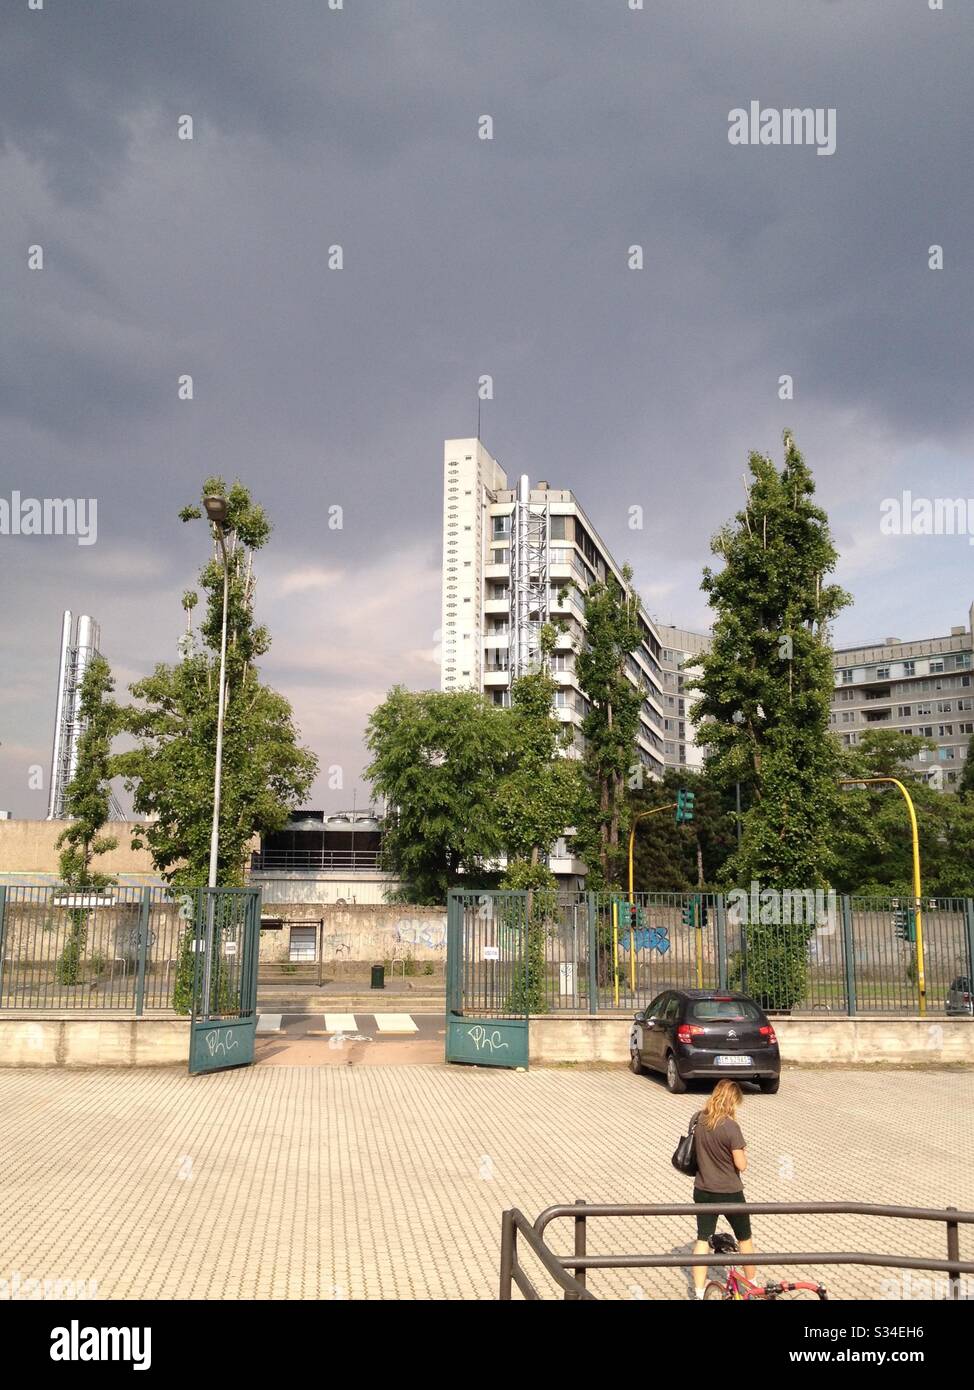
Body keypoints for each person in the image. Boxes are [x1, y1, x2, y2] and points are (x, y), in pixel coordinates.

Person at [690, 1079, 755, 1297]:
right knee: (744, 1237)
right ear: (733, 1102)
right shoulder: (731, 1127)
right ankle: (752, 1284)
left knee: (702, 1239)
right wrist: (743, 1150)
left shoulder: (698, 1119)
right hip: (729, 1191)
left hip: (703, 1188)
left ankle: (699, 1292)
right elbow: (741, 1165)